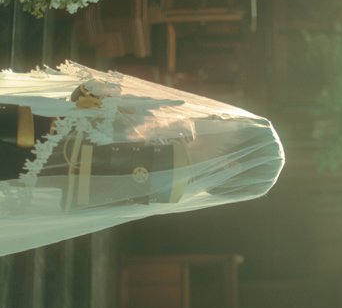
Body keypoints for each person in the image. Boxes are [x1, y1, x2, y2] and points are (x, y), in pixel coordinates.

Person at [0, 61, 285, 256]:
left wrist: (110, 106)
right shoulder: (168, 178)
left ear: (229, 165)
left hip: (18, 146)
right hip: (22, 150)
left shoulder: (162, 167)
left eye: (232, 125)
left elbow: (73, 144)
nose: (219, 117)